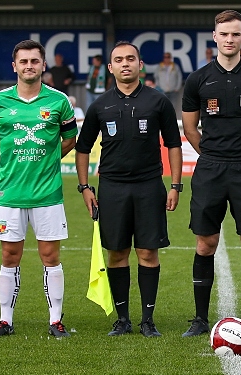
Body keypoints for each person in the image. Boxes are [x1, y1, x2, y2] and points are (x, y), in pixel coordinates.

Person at [181, 10, 241, 338]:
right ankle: (199, 319)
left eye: (235, 34)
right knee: (205, 243)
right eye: (224, 34)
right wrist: (209, 154)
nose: (230, 39)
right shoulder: (198, 79)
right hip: (210, 169)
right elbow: (190, 127)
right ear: (215, 37)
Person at [75, 41, 182, 338]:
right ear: (110, 68)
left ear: (140, 65)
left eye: (131, 59)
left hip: (150, 186)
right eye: (119, 60)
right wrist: (85, 187)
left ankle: (148, 319)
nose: (125, 64)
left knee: (148, 252)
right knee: (118, 252)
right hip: (112, 188)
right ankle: (122, 320)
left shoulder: (158, 102)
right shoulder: (99, 105)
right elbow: (82, 149)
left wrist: (175, 185)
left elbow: (173, 144)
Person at [0, 40, 78, 339]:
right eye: (24, 61)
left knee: (50, 256)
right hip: (10, 193)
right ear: (14, 66)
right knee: (9, 256)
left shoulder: (58, 101)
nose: (29, 66)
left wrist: (47, 162)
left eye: (35, 61)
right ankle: (5, 320)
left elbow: (70, 139)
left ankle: (56, 320)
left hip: (47, 194)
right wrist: (7, 160)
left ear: (43, 65)